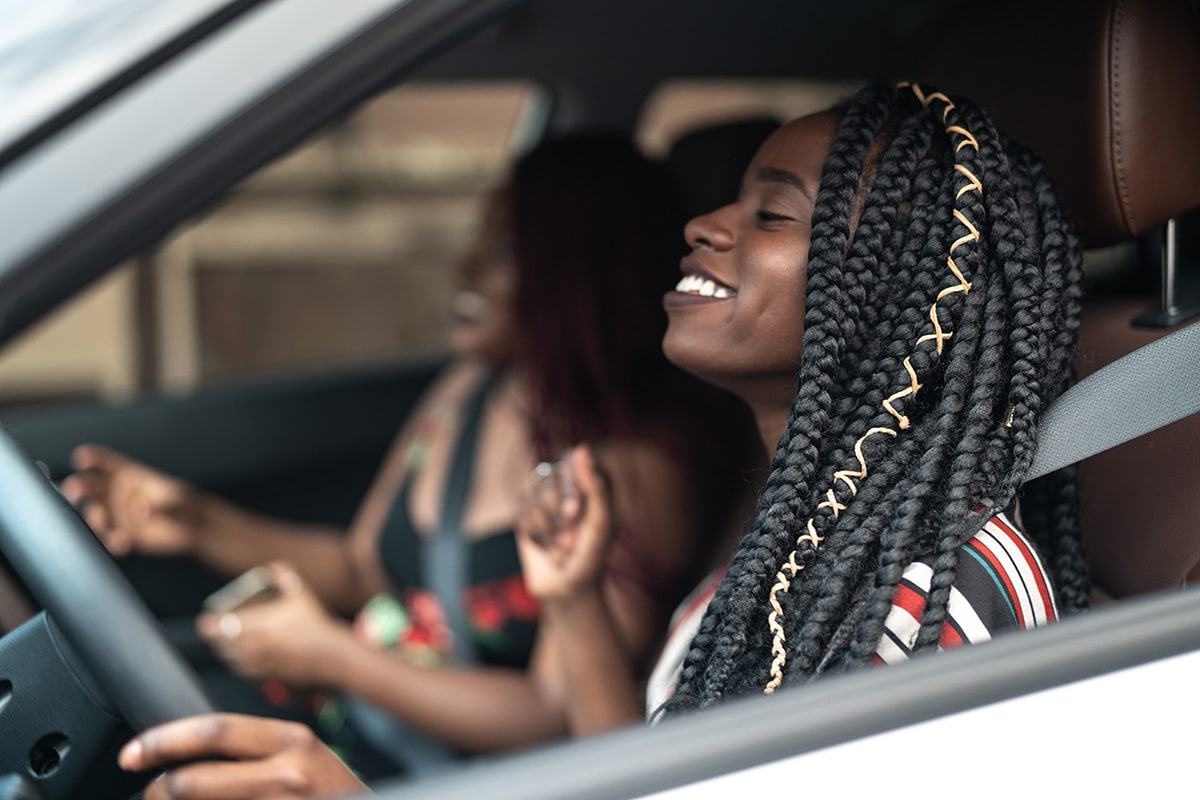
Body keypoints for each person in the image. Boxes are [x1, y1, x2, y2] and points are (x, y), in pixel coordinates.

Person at [111, 80, 1089, 797]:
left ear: (890, 289)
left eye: (771, 212)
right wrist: (574, 602)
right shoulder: (776, 552)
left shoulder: (947, 598)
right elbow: (640, 769)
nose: (703, 223)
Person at [66, 132, 759, 781]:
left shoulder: (636, 469)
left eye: (505, 250)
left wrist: (338, 658)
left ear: (581, 272)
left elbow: (555, 713)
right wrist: (194, 521)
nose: (466, 267)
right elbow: (364, 568)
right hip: (351, 732)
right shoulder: (468, 391)